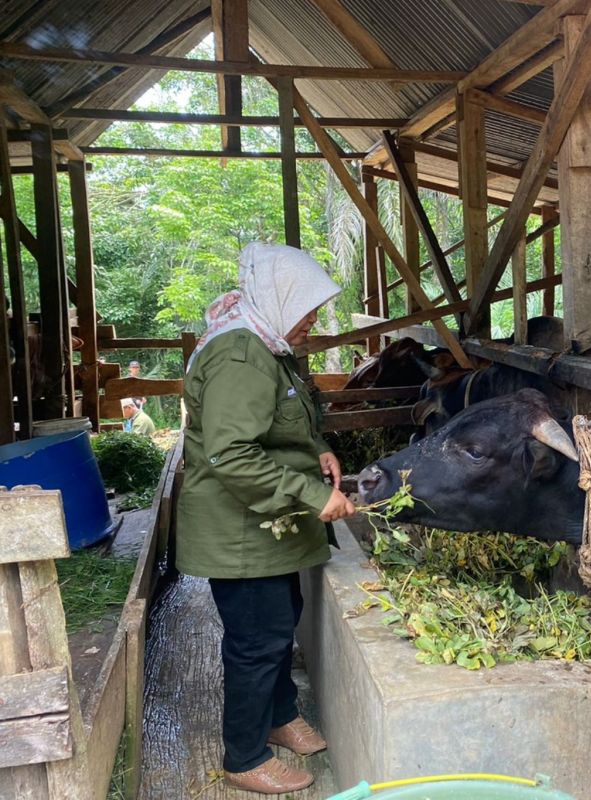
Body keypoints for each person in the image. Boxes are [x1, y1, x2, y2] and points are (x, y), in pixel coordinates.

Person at [175, 243, 357, 795]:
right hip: (240, 532)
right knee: (256, 640)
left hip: (267, 527)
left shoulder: (268, 345)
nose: (314, 321)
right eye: (308, 308)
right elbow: (230, 454)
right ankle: (244, 755)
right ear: (282, 301)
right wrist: (308, 491)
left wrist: (319, 449)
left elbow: (283, 421)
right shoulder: (239, 355)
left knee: (281, 621)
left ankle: (279, 715)